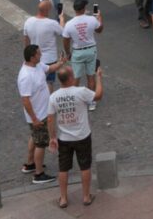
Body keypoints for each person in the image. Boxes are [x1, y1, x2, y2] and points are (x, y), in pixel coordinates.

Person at [48, 64, 104, 208]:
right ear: (71, 78)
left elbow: (50, 118)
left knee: (63, 168)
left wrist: (52, 137)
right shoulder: (81, 91)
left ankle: (63, 198)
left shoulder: (53, 97)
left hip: (64, 138)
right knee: (85, 166)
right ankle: (86, 196)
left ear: (60, 80)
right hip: (82, 136)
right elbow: (98, 96)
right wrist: (98, 78)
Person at [18, 44, 53, 186]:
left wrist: (61, 63)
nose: (41, 55)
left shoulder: (37, 66)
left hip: (41, 113)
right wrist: (34, 119)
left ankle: (30, 163)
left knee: (34, 137)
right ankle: (39, 174)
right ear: (32, 57)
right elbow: (25, 100)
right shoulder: (25, 76)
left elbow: (50, 68)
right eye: (38, 54)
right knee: (41, 143)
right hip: (38, 116)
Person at [62, 0, 104, 109]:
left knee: (76, 77)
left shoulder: (69, 24)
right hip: (91, 50)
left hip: (77, 52)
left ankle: (74, 101)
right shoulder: (91, 19)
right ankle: (91, 102)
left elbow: (66, 40)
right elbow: (99, 30)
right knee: (91, 76)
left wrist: (68, 53)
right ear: (84, 9)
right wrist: (99, 18)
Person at [23, 0, 66, 87]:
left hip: (35, 58)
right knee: (49, 82)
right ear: (47, 10)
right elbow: (62, 32)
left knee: (38, 82)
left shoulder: (28, 21)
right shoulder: (51, 23)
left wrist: (27, 57)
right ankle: (48, 100)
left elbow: (26, 40)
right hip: (50, 59)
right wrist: (61, 18)